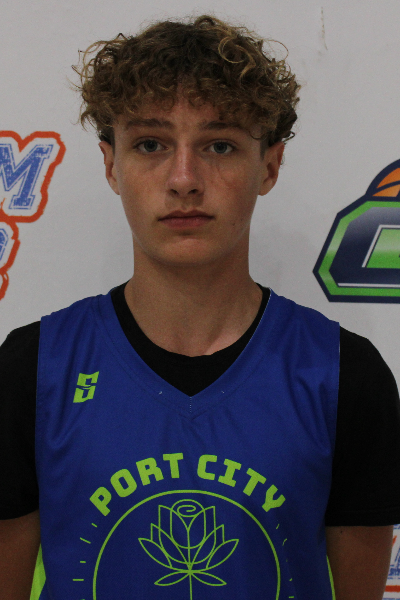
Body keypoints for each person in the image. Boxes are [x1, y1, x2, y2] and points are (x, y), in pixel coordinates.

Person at [1, 13, 400, 600]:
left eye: (219, 145)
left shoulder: (345, 375)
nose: (184, 179)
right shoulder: (31, 370)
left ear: (269, 166)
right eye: (151, 144)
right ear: (112, 165)